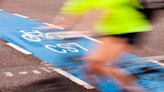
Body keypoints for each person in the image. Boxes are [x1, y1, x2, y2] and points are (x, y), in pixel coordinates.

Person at [41, 0, 151, 91]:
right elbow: (75, 7)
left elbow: (105, 10)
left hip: (130, 28)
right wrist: (60, 23)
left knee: (102, 65)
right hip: (113, 29)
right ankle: (96, 86)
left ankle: (134, 88)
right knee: (92, 67)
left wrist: (83, 30)